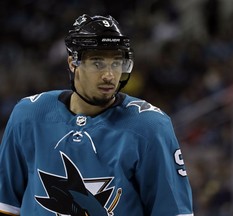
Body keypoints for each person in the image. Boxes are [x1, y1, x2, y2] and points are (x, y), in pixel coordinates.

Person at [0, 14, 194, 216]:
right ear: (73, 63)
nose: (109, 75)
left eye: (116, 62)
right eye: (97, 63)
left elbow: (173, 211)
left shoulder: (150, 126)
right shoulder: (29, 115)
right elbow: (6, 205)